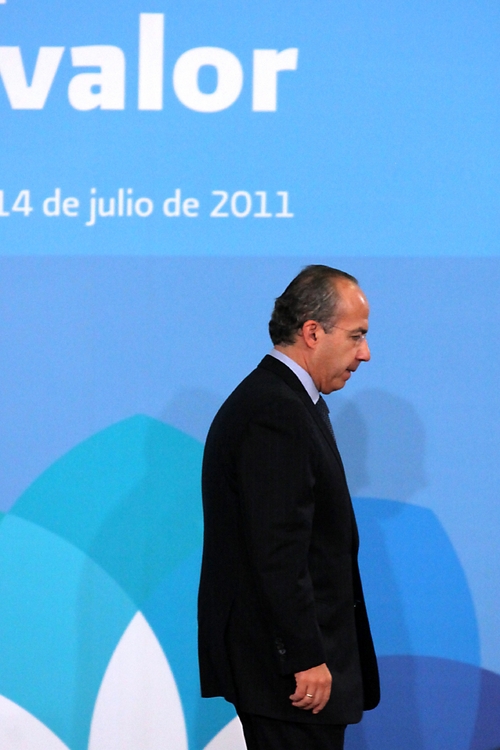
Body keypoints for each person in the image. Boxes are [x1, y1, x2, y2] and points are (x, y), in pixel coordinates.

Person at [198, 265, 380, 750]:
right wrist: (303, 656)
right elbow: (277, 549)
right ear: (313, 332)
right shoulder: (275, 411)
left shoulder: (289, 402)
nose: (365, 353)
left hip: (289, 670)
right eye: (357, 335)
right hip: (291, 676)